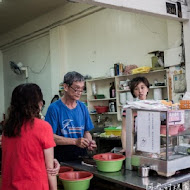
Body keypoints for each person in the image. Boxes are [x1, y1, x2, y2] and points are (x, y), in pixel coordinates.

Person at [1, 83, 57, 190]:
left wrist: (51, 160)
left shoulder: (7, 128)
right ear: (39, 104)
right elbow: (50, 171)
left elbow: (20, 158)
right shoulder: (43, 127)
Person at [45, 71, 97, 162]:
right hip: (61, 156)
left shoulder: (82, 107)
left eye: (82, 89)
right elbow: (49, 137)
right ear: (65, 87)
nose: (79, 93)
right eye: (76, 89)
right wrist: (75, 141)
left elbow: (86, 132)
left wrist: (89, 143)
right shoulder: (54, 108)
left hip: (81, 155)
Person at [121, 76, 150, 152]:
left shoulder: (154, 106)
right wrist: (126, 148)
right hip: (135, 144)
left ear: (147, 89)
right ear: (133, 92)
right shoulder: (129, 108)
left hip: (152, 143)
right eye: (136, 89)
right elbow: (125, 130)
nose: (140, 91)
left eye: (142, 87)